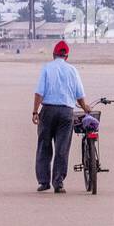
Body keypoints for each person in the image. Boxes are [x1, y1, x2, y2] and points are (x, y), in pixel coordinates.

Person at [32, 40, 91, 193]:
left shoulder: (47, 68)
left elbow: (39, 92)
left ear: (53, 54)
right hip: (66, 112)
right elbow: (79, 94)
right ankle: (58, 183)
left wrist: (34, 111)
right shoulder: (72, 70)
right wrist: (85, 108)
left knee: (44, 146)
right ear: (67, 56)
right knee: (62, 148)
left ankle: (44, 182)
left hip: (48, 111)